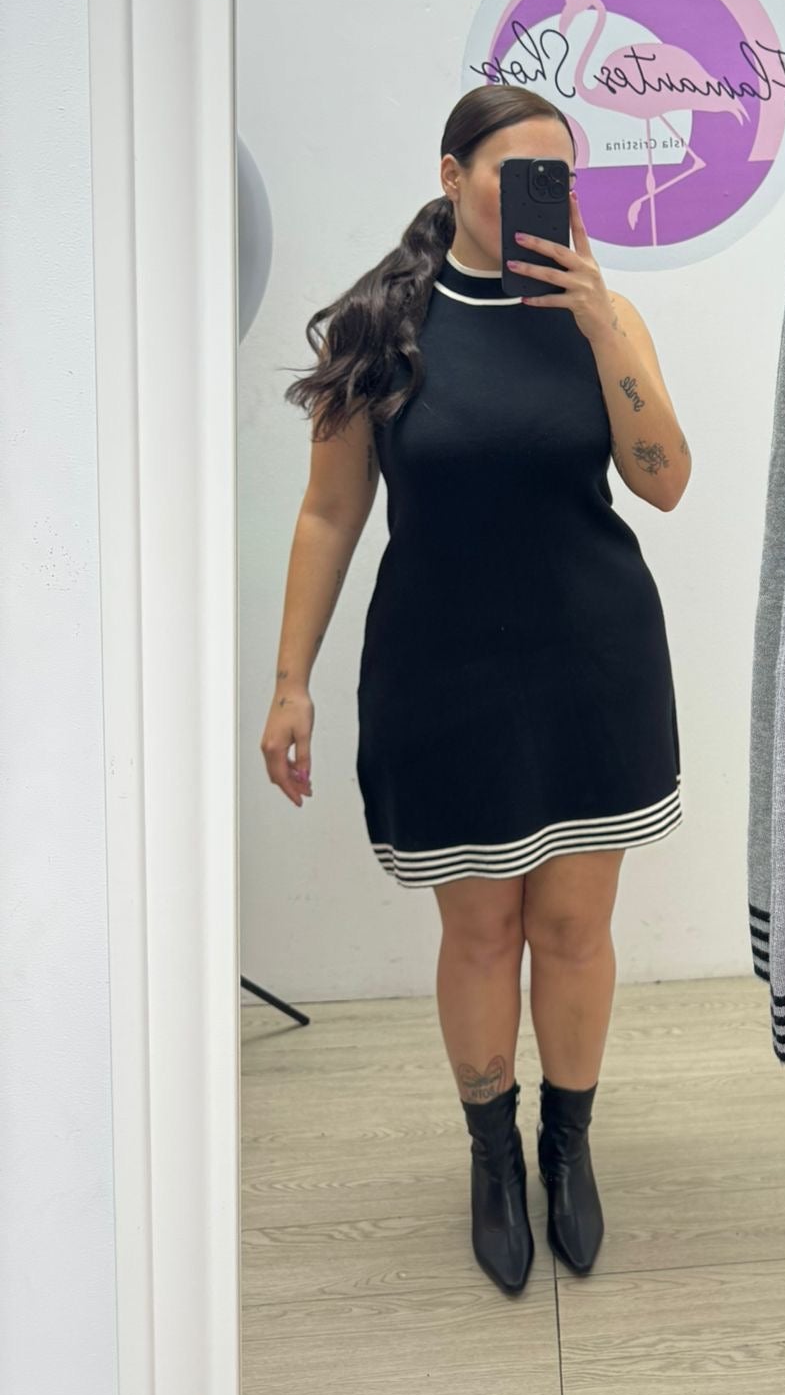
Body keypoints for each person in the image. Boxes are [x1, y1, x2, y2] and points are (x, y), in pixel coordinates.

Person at [260, 84, 689, 1297]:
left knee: (574, 930)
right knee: (482, 930)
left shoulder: (601, 315)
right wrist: (289, 680)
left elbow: (665, 479)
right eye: (515, 170)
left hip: (593, 671)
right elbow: (328, 513)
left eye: (562, 175)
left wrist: (604, 328)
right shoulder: (379, 327)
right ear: (451, 176)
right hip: (444, 679)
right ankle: (492, 1154)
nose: (542, 194)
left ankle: (568, 1142)